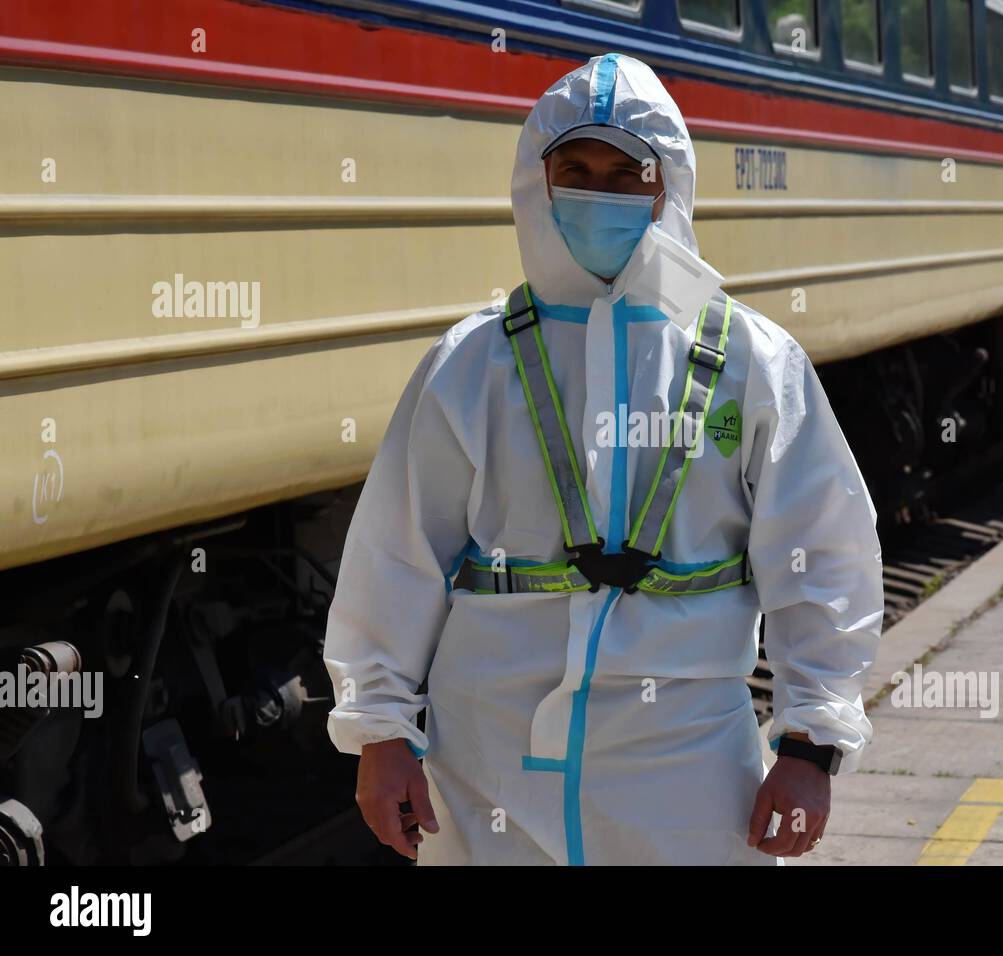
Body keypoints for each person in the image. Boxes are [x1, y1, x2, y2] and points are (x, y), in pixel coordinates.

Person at [323, 53, 885, 866]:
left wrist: (809, 748)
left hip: (685, 775)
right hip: (487, 773)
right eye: (575, 169)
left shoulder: (749, 360)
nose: (599, 193)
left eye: (628, 173)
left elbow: (825, 556)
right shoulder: (471, 363)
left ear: (669, 188)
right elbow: (396, 554)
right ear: (536, 180)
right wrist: (381, 733)